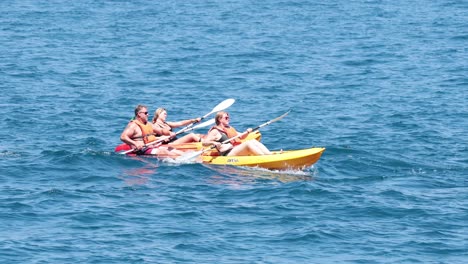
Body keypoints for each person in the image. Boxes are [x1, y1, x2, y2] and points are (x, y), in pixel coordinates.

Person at [203, 111, 272, 156]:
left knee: (253, 141)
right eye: (226, 118)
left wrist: (247, 132)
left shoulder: (229, 128)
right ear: (220, 119)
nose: (228, 119)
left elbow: (241, 136)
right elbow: (204, 143)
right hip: (227, 153)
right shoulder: (215, 131)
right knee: (248, 143)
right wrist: (214, 143)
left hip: (235, 150)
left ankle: (269, 154)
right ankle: (262, 156)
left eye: (228, 118)